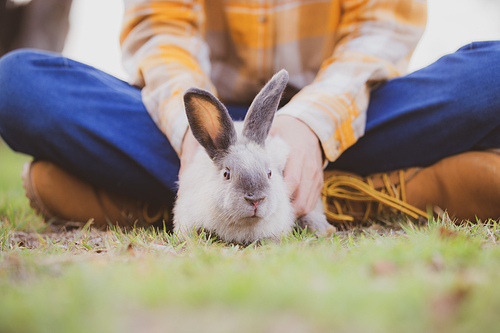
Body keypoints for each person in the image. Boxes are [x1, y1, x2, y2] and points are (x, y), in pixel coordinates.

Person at [0, 0, 499, 229]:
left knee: (491, 73)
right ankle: (349, 197)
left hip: (338, 116)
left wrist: (310, 124)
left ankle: (156, 203)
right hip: (212, 131)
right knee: (17, 84)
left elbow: (382, 28)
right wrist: (192, 139)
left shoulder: (320, 116)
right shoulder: (203, 133)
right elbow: (162, 29)